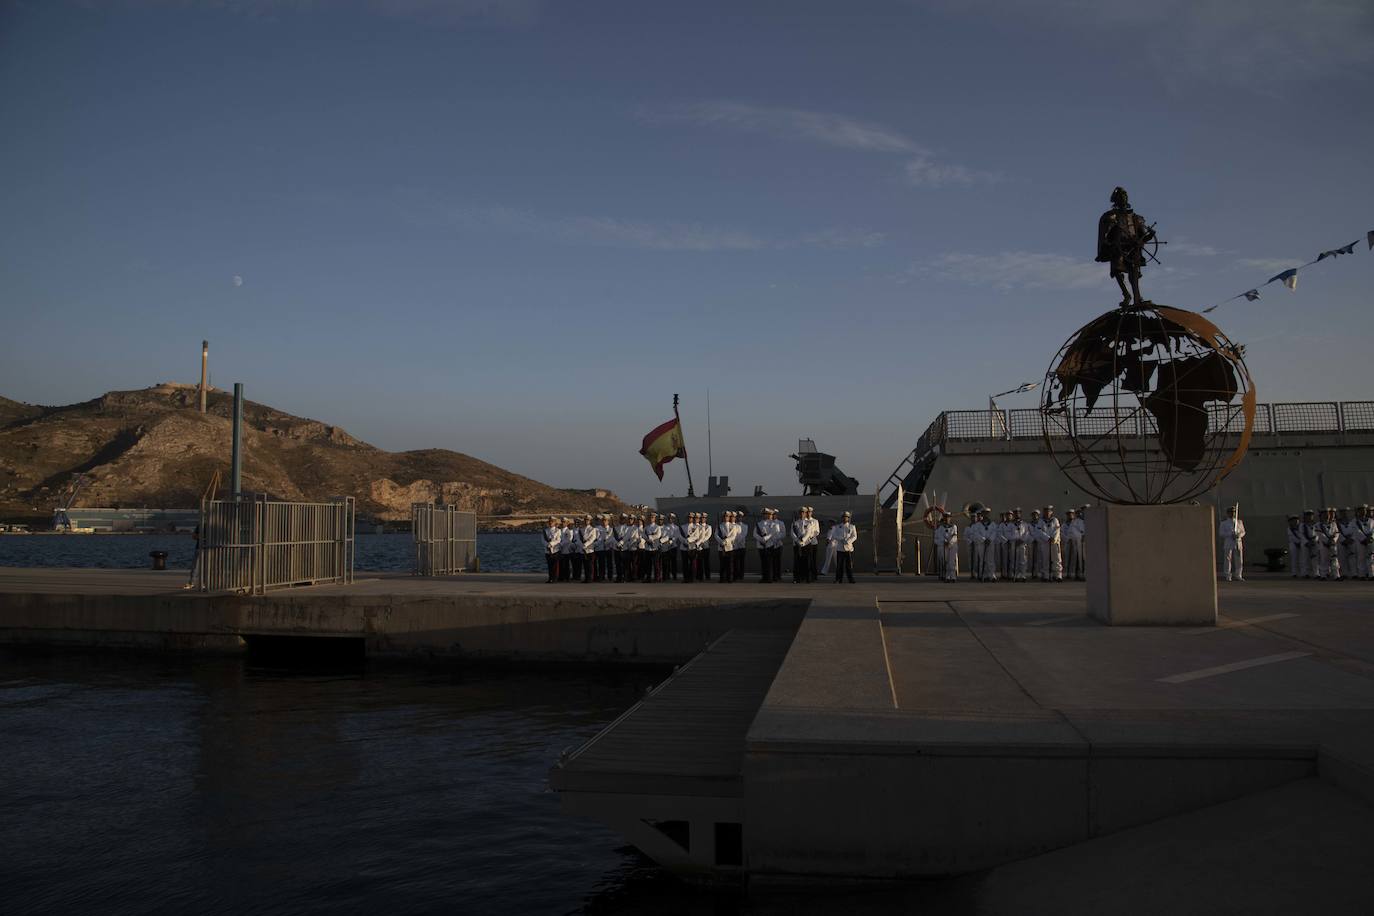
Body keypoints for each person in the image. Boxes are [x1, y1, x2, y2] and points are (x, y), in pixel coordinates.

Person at [1096, 186, 1154, 308]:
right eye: (1120, 197)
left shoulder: (1136, 218)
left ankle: (1137, 299)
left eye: (1124, 197)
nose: (1123, 200)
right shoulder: (1110, 217)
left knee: (1133, 272)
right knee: (1117, 269)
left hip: (1132, 249)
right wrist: (1109, 244)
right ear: (1115, 200)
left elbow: (1142, 237)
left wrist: (1149, 237)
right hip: (1118, 249)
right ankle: (1126, 295)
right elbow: (1106, 236)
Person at [1218, 506, 1245, 582]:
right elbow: (1221, 533)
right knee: (1228, 559)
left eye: (1234, 512)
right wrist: (1230, 534)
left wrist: (1239, 535)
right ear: (1228, 513)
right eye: (1231, 512)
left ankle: (1238, 574)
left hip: (1238, 542)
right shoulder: (1224, 523)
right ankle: (1227, 575)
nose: (1232, 514)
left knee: (1239, 559)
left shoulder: (1239, 522)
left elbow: (1243, 531)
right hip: (1229, 542)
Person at [1316, 507, 1342, 581]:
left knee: (1334, 560)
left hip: (1333, 545)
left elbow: (1337, 533)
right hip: (1324, 545)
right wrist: (1327, 541)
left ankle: (1336, 575)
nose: (1327, 516)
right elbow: (1320, 534)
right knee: (1324, 559)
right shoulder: (1318, 525)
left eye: (1327, 514)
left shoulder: (1333, 524)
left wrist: (1333, 540)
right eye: (1324, 514)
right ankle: (1323, 575)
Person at [831, 511, 858, 583]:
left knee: (849, 566)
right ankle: (838, 579)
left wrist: (848, 541)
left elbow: (854, 536)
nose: (844, 518)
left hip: (848, 548)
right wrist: (842, 539)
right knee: (839, 565)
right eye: (843, 517)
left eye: (846, 517)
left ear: (848, 518)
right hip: (840, 548)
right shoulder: (837, 527)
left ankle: (851, 579)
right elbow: (834, 535)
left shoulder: (852, 526)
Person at [1041, 506, 1064, 582]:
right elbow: (1039, 531)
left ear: (1051, 512)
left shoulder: (1055, 520)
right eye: (1046, 511)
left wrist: (1053, 538)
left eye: (1049, 511)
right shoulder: (1041, 521)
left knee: (1057, 559)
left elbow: (1057, 530)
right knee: (1045, 559)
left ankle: (1058, 575)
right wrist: (1047, 538)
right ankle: (1046, 576)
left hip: (1054, 542)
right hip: (1046, 542)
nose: (1047, 513)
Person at [934, 512, 959, 581]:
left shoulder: (954, 527)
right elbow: (937, 538)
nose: (947, 519)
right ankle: (947, 576)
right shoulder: (940, 528)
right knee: (945, 561)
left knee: (952, 561)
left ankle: (953, 576)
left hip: (952, 546)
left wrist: (950, 542)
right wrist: (943, 541)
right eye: (945, 517)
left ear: (950, 518)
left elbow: (955, 536)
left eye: (948, 517)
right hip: (943, 546)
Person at [1064, 509, 1085, 581]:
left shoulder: (1087, 520)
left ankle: (1084, 574)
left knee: (1084, 559)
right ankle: (1078, 574)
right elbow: (1071, 532)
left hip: (1085, 543)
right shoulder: (1075, 522)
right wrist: (1081, 536)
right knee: (1077, 559)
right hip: (1076, 542)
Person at [965, 511, 987, 581]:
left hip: (977, 544)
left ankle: (979, 574)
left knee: (977, 559)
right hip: (970, 544)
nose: (974, 519)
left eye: (975, 517)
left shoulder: (978, 526)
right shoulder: (968, 527)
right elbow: (965, 536)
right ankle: (972, 573)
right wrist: (970, 541)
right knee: (970, 559)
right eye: (972, 517)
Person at [1353, 505, 1373, 581]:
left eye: (1364, 510)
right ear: (1358, 512)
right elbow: (1356, 531)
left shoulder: (1371, 521)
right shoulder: (1354, 521)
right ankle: (1362, 575)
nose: (1363, 512)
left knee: (1371, 557)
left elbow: (1373, 530)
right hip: (1361, 541)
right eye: (1361, 510)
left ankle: (1371, 574)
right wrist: (1364, 538)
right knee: (1361, 557)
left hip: (1370, 541)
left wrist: (1371, 537)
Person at [1009, 509, 1029, 582]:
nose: (1017, 514)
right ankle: (1015, 575)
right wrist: (1015, 539)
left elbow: (1026, 533)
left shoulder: (1024, 524)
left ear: (1020, 514)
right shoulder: (1011, 524)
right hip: (1014, 543)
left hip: (1022, 544)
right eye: (1015, 513)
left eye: (1018, 513)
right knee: (1014, 560)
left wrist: (1022, 540)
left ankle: (1023, 575)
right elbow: (1009, 534)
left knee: (1023, 560)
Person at [1338, 508, 1359, 580]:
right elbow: (1337, 532)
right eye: (1342, 512)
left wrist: (1351, 539)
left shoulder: (1353, 522)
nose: (1344, 514)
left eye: (1346, 512)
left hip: (1351, 541)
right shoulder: (1337, 522)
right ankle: (1344, 573)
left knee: (1352, 558)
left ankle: (1354, 574)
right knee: (1342, 558)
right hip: (1342, 542)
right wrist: (1344, 540)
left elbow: (1355, 531)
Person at [595, 514, 616, 582]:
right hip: (601, 548)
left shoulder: (611, 529)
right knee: (601, 564)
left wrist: (607, 542)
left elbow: (612, 538)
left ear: (608, 521)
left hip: (608, 548)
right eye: (603, 520)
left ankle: (610, 577)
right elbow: (597, 538)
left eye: (605, 520)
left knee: (609, 564)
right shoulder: (598, 529)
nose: (604, 522)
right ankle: (602, 577)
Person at [543, 515, 562, 582]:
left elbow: (558, 540)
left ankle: (555, 578)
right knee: (549, 566)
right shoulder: (545, 531)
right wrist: (547, 545)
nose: (550, 522)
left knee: (555, 566)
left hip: (555, 550)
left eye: (552, 521)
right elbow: (543, 540)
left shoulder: (558, 530)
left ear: (555, 522)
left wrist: (551, 544)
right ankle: (550, 578)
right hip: (547, 551)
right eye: (550, 521)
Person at [716, 511, 735, 583]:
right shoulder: (719, 526)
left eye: (727, 516)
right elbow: (716, 535)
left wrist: (726, 541)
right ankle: (722, 578)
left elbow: (733, 536)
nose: (725, 518)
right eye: (724, 516)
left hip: (729, 547)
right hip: (721, 548)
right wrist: (721, 541)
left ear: (729, 517)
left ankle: (729, 578)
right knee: (722, 564)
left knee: (729, 564)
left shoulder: (733, 526)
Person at [661, 512, 680, 581]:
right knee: (666, 562)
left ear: (674, 519)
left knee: (673, 562)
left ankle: (674, 575)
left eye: (672, 518)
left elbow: (676, 537)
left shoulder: (676, 527)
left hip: (673, 546)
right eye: (669, 518)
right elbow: (663, 535)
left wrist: (671, 542)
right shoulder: (664, 527)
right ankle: (666, 575)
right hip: (666, 547)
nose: (670, 520)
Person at [579, 515, 597, 583]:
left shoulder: (593, 529)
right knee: (585, 565)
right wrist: (582, 546)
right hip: (583, 550)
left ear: (590, 521)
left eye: (588, 520)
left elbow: (592, 539)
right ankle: (586, 578)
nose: (586, 521)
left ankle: (590, 578)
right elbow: (579, 539)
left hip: (590, 550)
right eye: (585, 520)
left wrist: (585, 545)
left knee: (590, 565)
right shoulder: (581, 529)